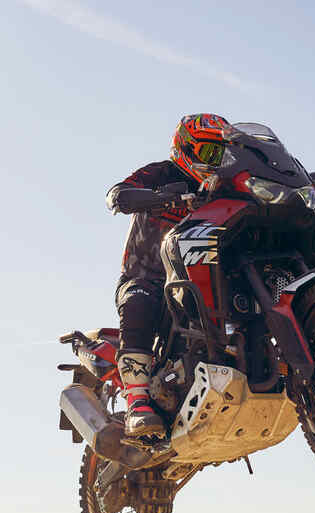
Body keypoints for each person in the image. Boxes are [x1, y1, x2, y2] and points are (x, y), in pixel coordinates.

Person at [105, 113, 231, 438]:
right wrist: (149, 197)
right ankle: (137, 401)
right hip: (148, 279)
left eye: (222, 154)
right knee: (139, 303)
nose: (215, 163)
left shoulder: (224, 187)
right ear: (185, 148)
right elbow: (118, 193)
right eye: (209, 153)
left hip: (201, 281)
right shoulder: (161, 172)